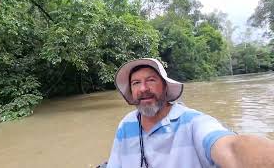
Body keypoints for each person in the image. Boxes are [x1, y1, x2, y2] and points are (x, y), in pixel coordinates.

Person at [106, 58, 274, 168]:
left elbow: (230, 147)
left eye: (151, 80)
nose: (143, 89)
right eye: (136, 83)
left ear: (165, 86)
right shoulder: (126, 124)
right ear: (132, 91)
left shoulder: (193, 122)